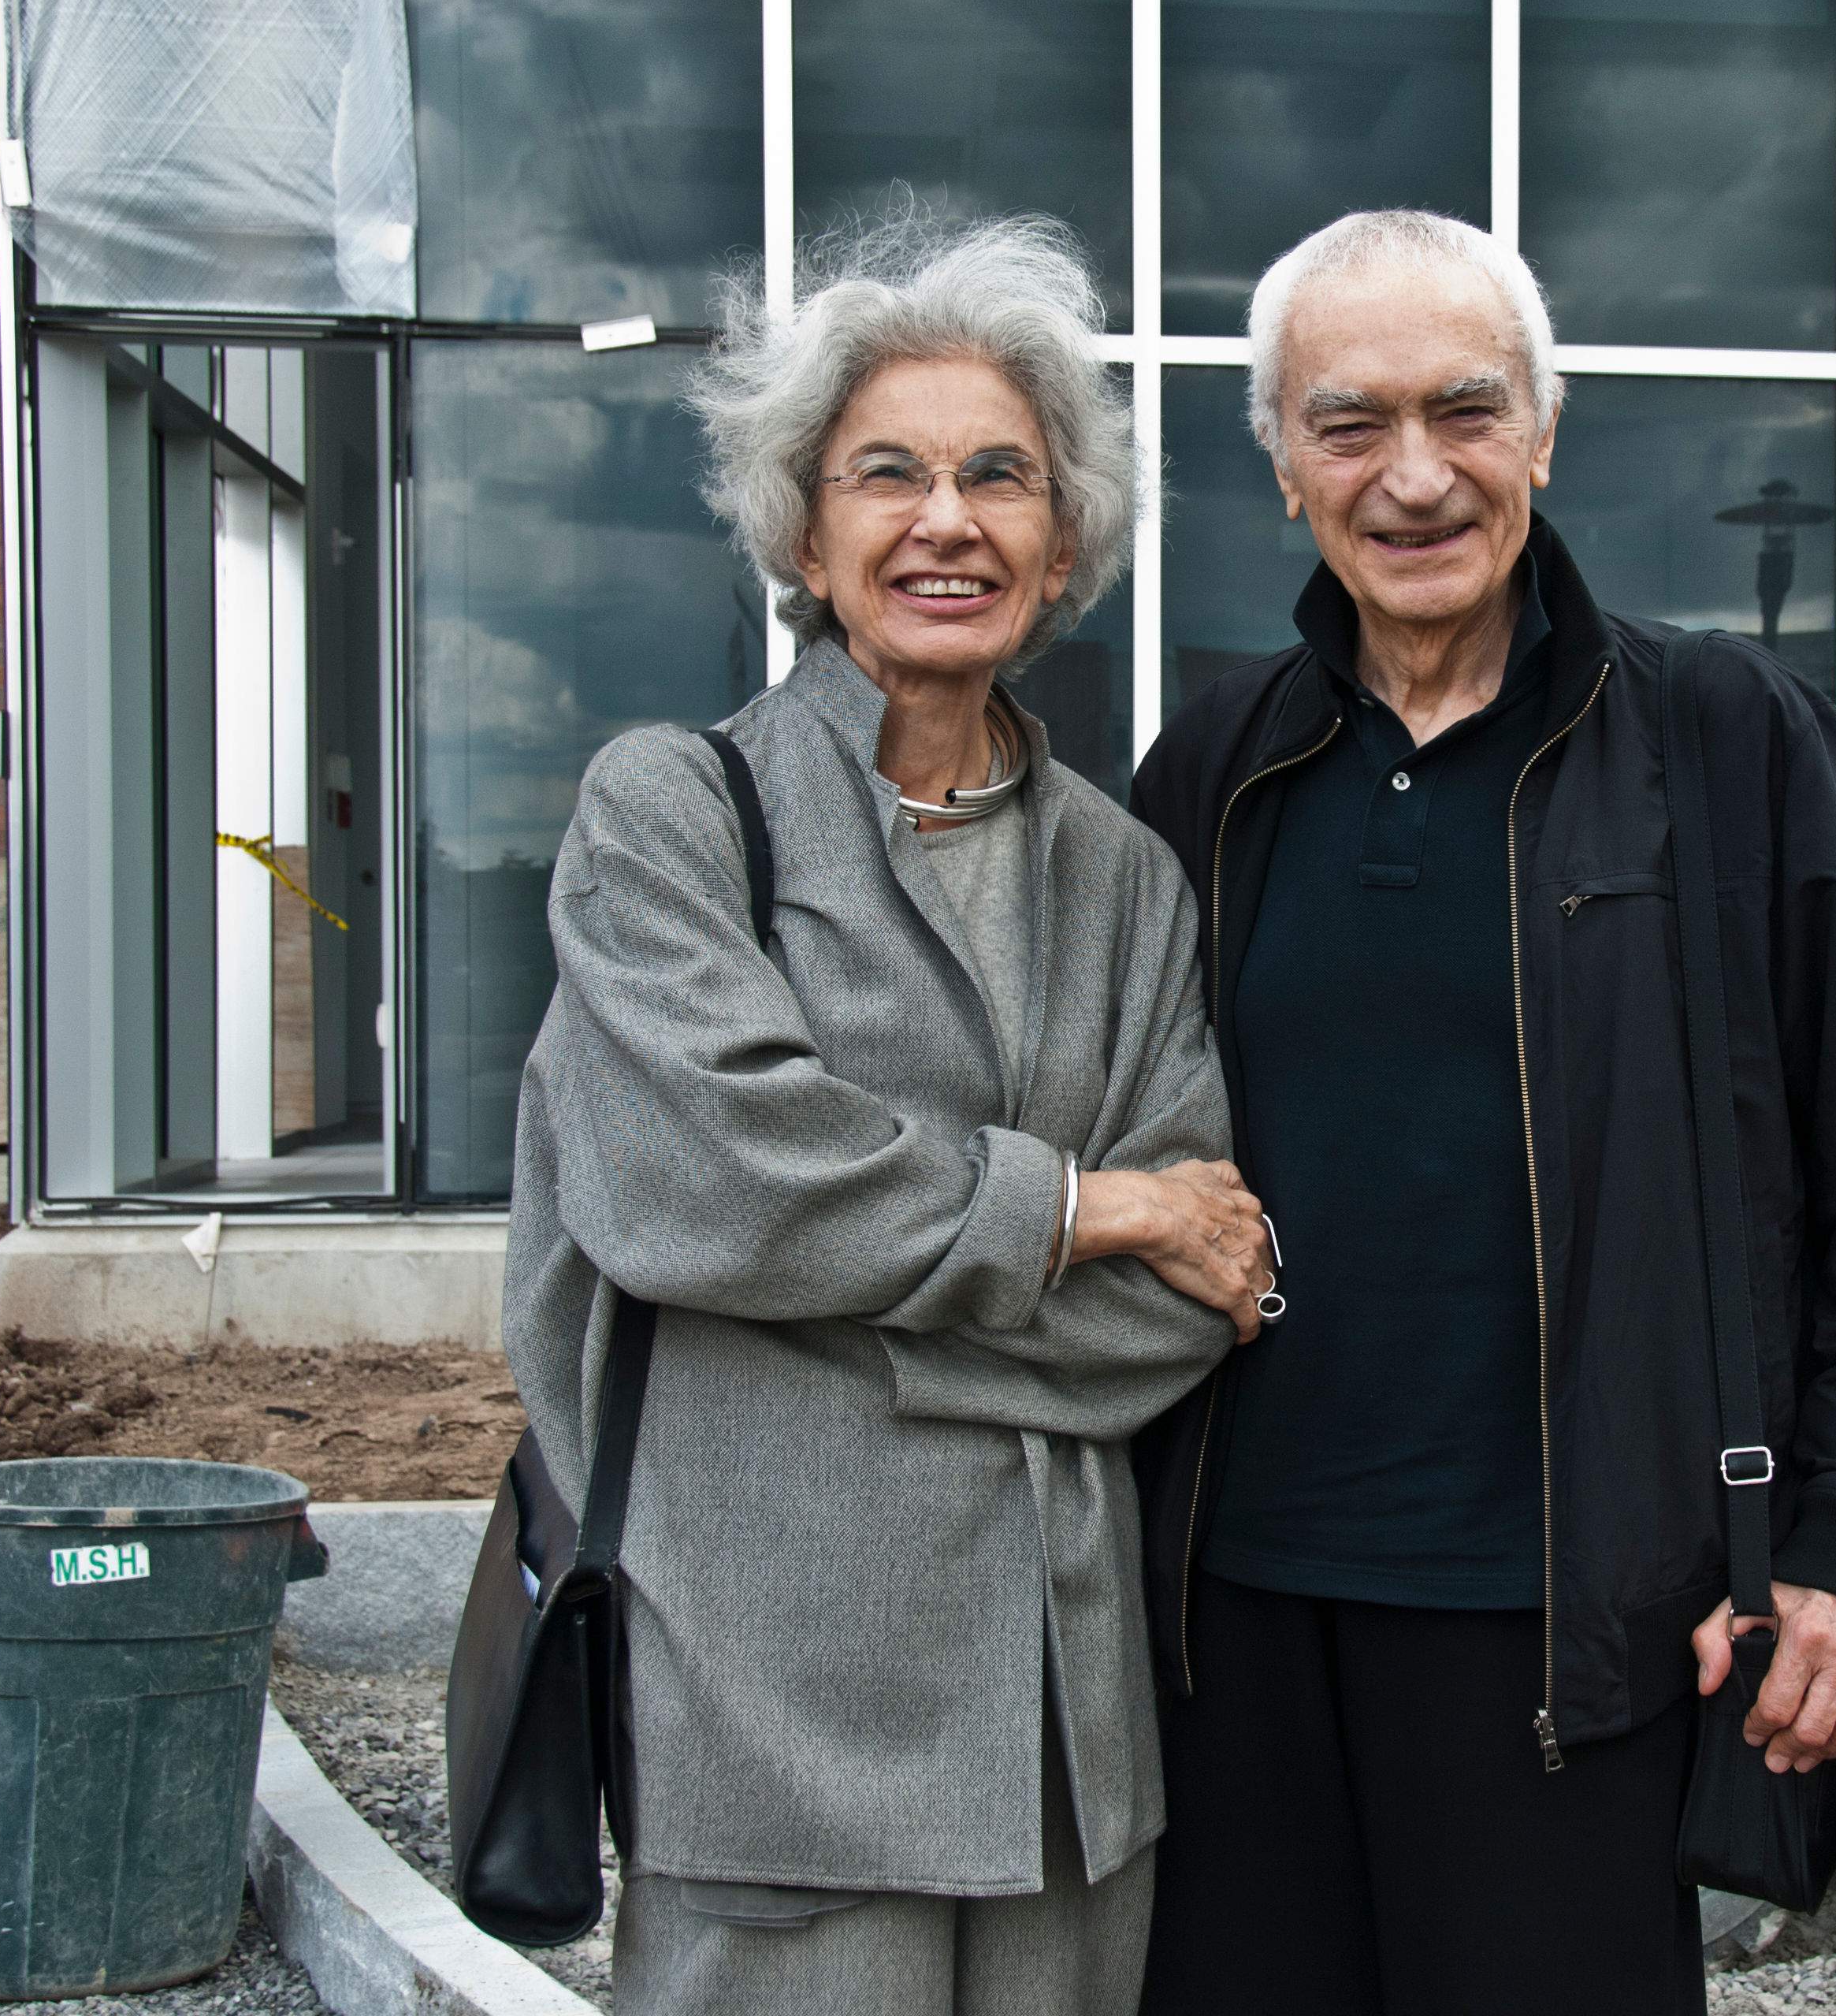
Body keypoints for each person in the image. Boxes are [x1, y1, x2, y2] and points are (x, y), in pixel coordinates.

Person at [1127, 209, 1836, 2014]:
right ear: (1278, 460)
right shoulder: (1216, 769)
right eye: (1347, 424)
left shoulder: (1714, 734)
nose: (1413, 475)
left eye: (1464, 409)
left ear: (1544, 426)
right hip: (1232, 1631)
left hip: (1576, 1642)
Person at [500, 215, 1270, 2016]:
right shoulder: (671, 817)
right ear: (802, 531)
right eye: (888, 475)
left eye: (1001, 475)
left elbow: (1188, 1303)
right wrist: (1090, 1213)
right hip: (774, 1699)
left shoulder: (1123, 880)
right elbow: (714, 1180)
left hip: (1061, 1726)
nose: (949, 520)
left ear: (1063, 538)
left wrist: (823, 1326)